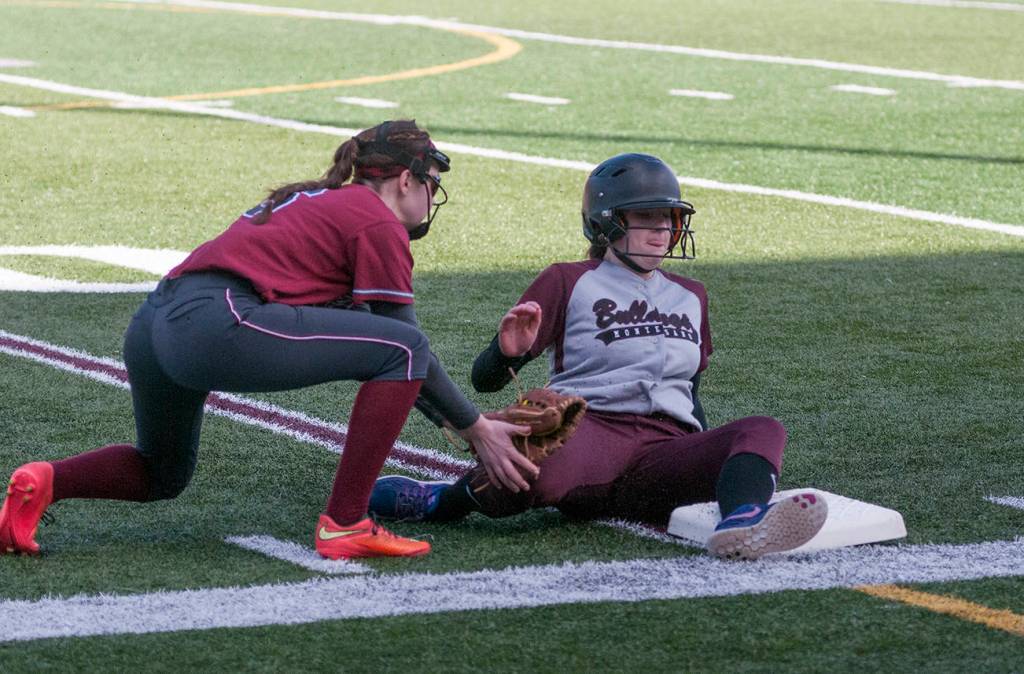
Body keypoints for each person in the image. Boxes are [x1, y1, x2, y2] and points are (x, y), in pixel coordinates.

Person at [0, 120, 537, 560]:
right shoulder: (375, 221)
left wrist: (468, 424)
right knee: (404, 349)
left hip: (154, 323)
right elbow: (405, 345)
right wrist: (476, 428)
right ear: (405, 179)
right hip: (215, 319)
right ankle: (345, 522)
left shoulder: (318, 197)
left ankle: (44, 480)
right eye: (431, 182)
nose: (431, 194)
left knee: (162, 472)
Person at [368, 153, 827, 560]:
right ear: (606, 223)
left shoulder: (692, 294)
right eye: (645, 218)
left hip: (663, 450)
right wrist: (506, 352)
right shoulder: (569, 279)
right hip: (589, 431)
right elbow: (485, 381)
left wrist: (703, 454)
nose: (662, 230)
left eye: (668, 218)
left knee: (762, 430)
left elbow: (690, 392)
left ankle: (741, 525)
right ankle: (445, 502)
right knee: (533, 465)